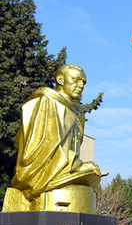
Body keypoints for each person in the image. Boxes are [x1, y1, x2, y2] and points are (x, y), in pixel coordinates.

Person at [10, 64, 104, 204]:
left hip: (64, 172)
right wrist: (76, 167)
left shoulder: (74, 112)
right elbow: (37, 152)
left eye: (83, 82)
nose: (81, 86)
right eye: (76, 80)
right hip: (43, 177)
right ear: (60, 80)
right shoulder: (46, 103)